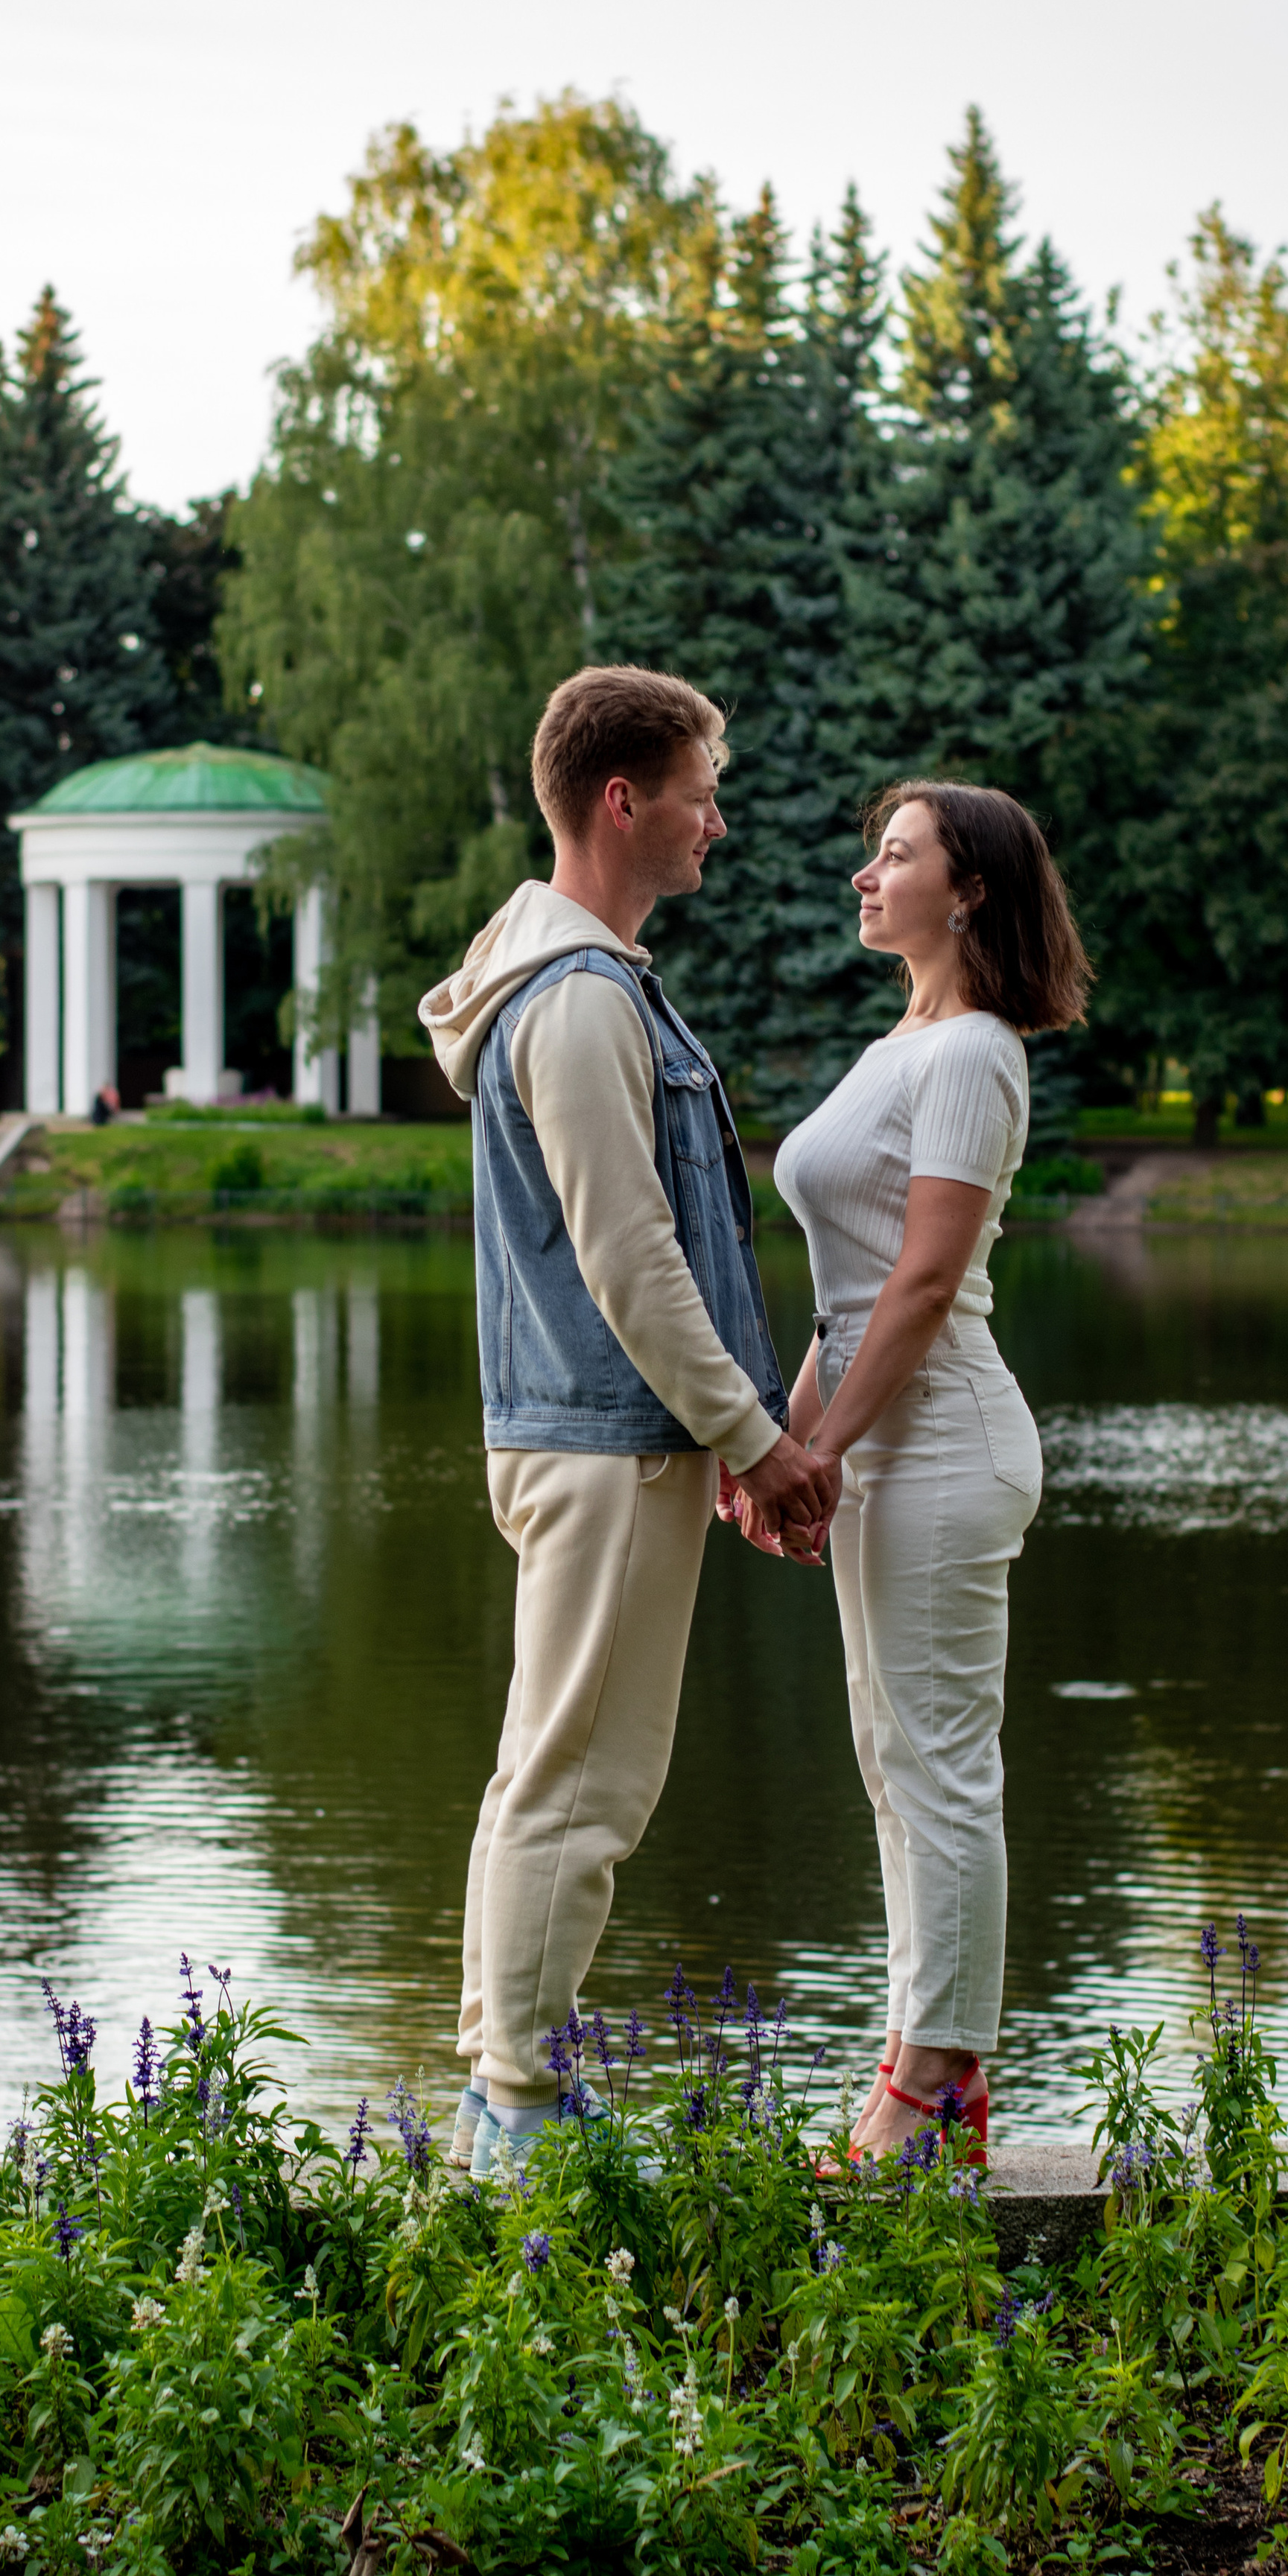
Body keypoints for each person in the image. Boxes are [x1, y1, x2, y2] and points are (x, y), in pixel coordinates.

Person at [419, 665, 841, 2179]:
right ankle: (524, 2113)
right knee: (586, 1786)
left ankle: (499, 2088)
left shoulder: (564, 980)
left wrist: (725, 1430)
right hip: (607, 1444)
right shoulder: (582, 997)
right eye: (698, 796)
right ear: (622, 801)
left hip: (590, 1435)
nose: (715, 824)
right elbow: (629, 1254)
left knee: (546, 1770)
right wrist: (753, 1439)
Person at [767, 780, 1091, 2162]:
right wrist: (781, 1441)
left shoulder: (972, 1053)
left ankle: (942, 2083)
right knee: (895, 1759)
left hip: (943, 1442)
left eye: (895, 855)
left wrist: (818, 1451)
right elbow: (851, 1292)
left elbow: (927, 1283)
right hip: (883, 1440)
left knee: (940, 1763)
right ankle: (917, 2059)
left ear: (968, 892)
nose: (865, 875)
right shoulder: (901, 1044)